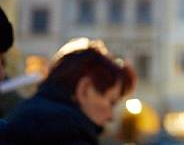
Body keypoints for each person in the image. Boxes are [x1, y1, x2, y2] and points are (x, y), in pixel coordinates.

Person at [0, 40, 136, 145]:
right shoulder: (68, 134)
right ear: (85, 89)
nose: (111, 116)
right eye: (111, 102)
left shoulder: (26, 116)